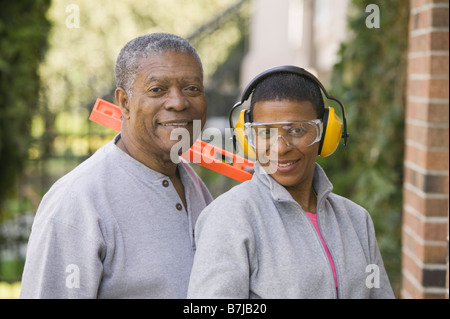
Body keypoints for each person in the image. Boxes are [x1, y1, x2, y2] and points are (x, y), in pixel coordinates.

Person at [20, 33, 213, 298]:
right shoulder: (77, 203)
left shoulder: (196, 189)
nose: (178, 102)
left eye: (192, 88)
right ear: (124, 103)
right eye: (157, 89)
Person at [187, 68, 395, 299]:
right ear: (248, 139)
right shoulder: (230, 217)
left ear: (326, 133)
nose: (281, 147)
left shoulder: (356, 220)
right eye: (265, 132)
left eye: (297, 130)